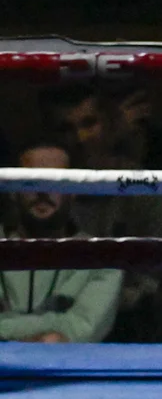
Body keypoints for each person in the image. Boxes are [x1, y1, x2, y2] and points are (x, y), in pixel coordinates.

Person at [0, 145, 122, 343]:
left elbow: (78, 330)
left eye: (54, 181)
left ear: (73, 190)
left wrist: (6, 328)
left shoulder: (103, 257)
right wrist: (49, 330)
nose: (42, 191)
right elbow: (55, 337)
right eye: (31, 181)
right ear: (13, 191)